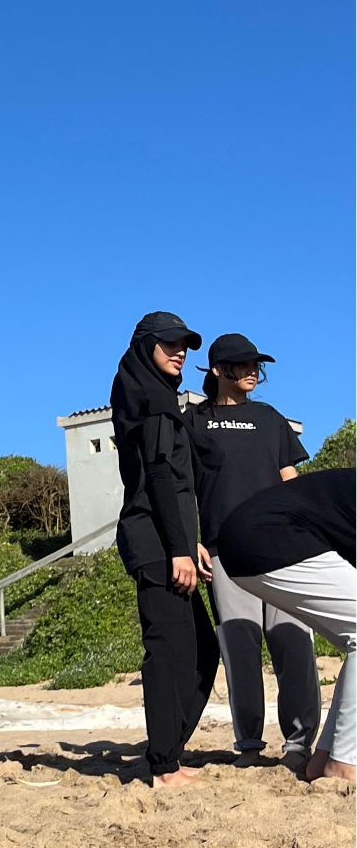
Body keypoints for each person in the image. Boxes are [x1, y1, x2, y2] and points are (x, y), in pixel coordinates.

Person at [184, 333, 317, 766]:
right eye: (242, 366)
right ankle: (249, 745)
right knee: (240, 646)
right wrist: (191, 541)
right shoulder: (195, 422)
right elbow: (184, 488)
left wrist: (310, 528)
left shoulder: (270, 418)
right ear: (218, 370)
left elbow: (289, 476)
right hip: (226, 549)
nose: (252, 373)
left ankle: (298, 743)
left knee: (293, 641)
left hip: (283, 545)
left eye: (256, 366)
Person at [110, 312, 219, 788]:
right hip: (153, 541)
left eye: (186, 346)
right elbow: (155, 477)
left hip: (167, 537)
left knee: (202, 649)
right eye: (170, 344)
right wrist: (177, 549)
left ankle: (168, 751)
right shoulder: (151, 398)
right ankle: (163, 764)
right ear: (145, 345)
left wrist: (189, 537)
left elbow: (174, 483)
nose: (180, 352)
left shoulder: (153, 392)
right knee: (169, 651)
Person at [217, 469, 357, 781]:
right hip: (266, 534)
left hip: (246, 538)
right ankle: (345, 766)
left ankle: (323, 760)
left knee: (355, 638)